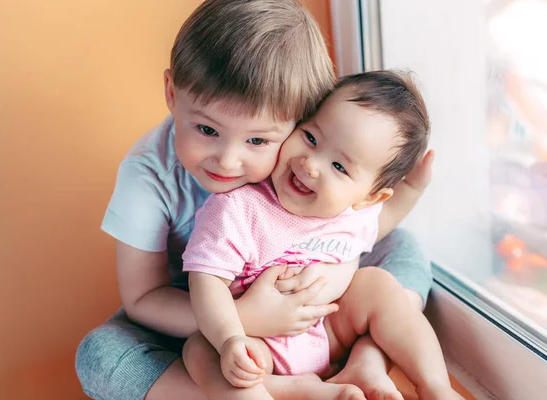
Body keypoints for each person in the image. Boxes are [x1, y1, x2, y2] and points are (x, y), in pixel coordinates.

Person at [75, 2, 433, 399]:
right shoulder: (148, 176)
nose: (228, 160)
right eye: (207, 129)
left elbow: (355, 229)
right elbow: (142, 299)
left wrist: (336, 274)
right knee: (100, 354)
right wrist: (242, 320)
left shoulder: (306, 167)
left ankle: (367, 361)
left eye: (258, 140)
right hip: (200, 315)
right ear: (172, 94)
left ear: (301, 119)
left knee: (403, 249)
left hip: (315, 317)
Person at [182, 71, 461, 400]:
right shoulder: (238, 208)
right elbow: (205, 280)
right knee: (199, 351)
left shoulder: (352, 214)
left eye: (339, 167)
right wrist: (231, 339)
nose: (311, 164)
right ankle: (291, 391)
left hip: (328, 332)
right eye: (311, 137)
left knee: (378, 286)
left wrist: (414, 186)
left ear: (369, 196)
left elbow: (387, 217)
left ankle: (436, 386)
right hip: (259, 346)